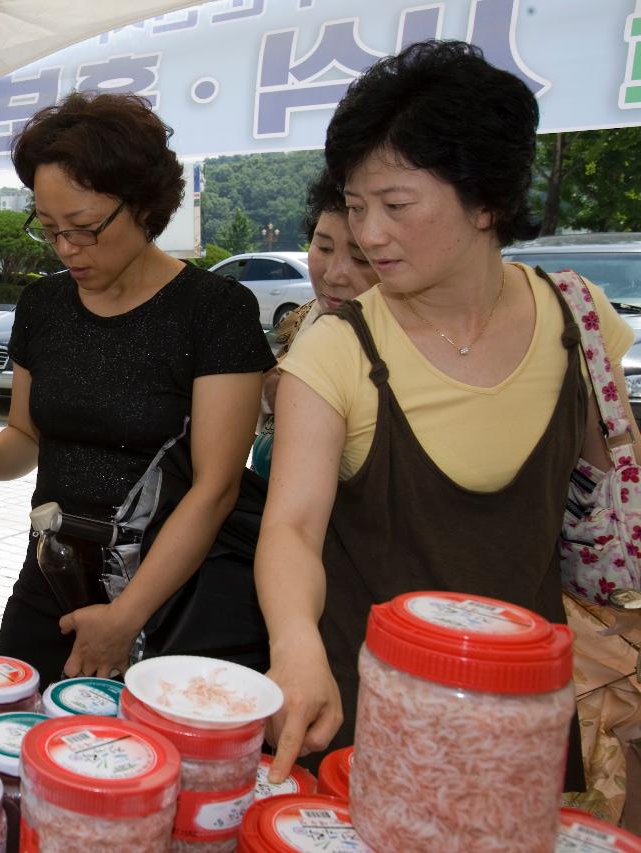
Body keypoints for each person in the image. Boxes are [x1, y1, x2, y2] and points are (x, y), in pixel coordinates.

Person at [255, 40, 635, 784]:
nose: (369, 235)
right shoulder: (337, 348)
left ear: (487, 199)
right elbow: (292, 526)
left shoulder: (578, 319)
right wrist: (293, 643)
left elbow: (614, 482)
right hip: (368, 721)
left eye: (395, 206)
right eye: (358, 207)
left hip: (526, 724)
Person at [0, 92, 276, 685]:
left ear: (146, 206)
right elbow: (26, 437)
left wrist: (125, 617)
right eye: (49, 229)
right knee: (19, 736)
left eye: (84, 228)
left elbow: (215, 488)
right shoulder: (45, 304)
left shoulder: (214, 309)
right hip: (54, 572)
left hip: (177, 592)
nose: (67, 249)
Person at [251, 170, 381, 479]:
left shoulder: (415, 349)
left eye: (361, 258)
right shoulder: (307, 318)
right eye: (323, 248)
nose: (334, 274)